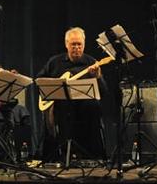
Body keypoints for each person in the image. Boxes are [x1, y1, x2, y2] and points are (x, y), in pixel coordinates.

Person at [36, 27, 107, 160]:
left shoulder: (91, 63)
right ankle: (61, 154)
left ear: (84, 45)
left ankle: (90, 155)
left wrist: (98, 77)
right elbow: (40, 82)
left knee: (93, 106)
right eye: (73, 44)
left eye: (79, 44)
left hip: (83, 108)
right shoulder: (54, 62)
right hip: (60, 107)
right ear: (66, 44)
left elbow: (103, 92)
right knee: (62, 108)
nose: (76, 48)